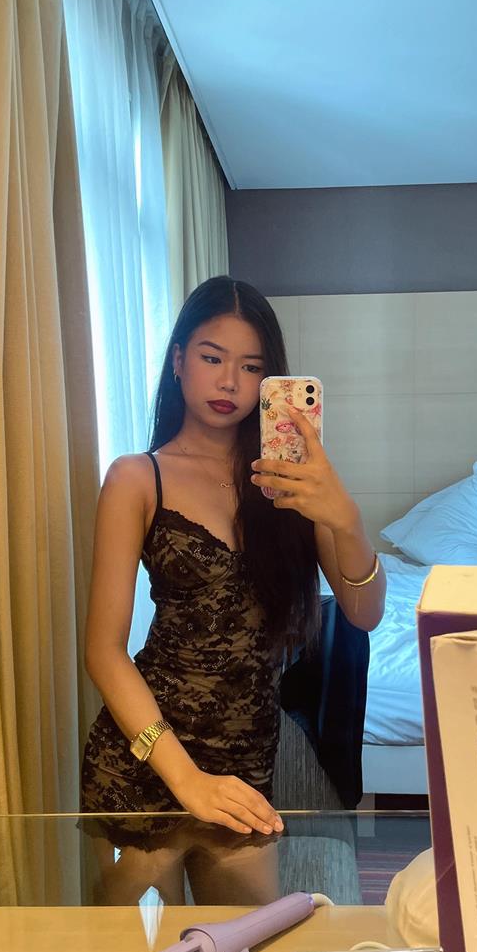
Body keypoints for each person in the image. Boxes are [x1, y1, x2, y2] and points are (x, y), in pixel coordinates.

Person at [81, 276, 385, 904]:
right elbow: (104, 652)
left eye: (251, 367)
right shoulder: (137, 478)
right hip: (145, 760)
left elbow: (365, 612)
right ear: (178, 361)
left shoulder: (289, 482)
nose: (229, 382)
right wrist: (186, 780)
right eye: (212, 357)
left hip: (245, 764)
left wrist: (345, 518)